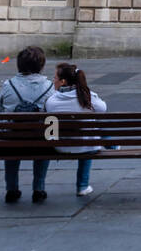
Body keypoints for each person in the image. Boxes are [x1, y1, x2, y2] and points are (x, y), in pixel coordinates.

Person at [0, 46, 53, 203]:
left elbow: (1, 109)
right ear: (41, 65)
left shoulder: (8, 85)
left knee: (10, 140)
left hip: (12, 140)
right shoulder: (49, 87)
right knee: (45, 140)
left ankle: (11, 189)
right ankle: (38, 188)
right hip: (40, 141)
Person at [45, 63, 107, 196]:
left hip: (61, 146)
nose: (53, 80)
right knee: (91, 126)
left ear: (63, 82)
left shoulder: (52, 101)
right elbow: (103, 109)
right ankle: (82, 186)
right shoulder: (87, 97)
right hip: (86, 146)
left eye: (54, 78)